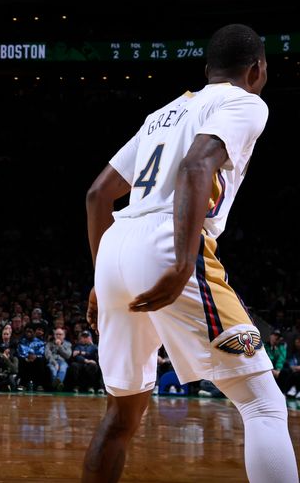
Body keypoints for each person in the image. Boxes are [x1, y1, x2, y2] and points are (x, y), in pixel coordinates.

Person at [82, 24, 297, 483]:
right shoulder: (245, 102)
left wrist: (101, 279)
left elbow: (98, 195)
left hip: (117, 245)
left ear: (207, 71)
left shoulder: (164, 112)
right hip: (167, 238)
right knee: (263, 403)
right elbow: (197, 164)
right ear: (257, 70)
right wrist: (182, 262)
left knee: (121, 415)